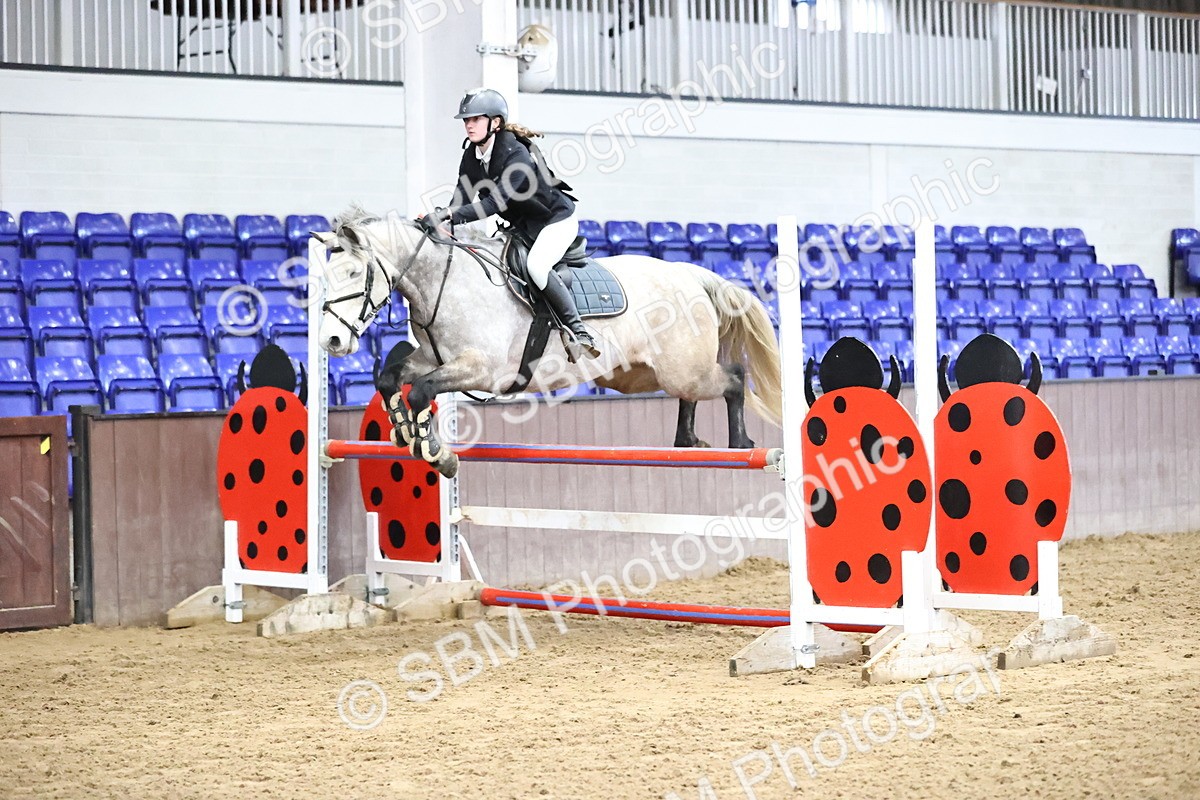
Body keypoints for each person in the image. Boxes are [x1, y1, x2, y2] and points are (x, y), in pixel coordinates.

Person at [427, 88, 600, 360]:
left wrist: (449, 214)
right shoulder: (472, 156)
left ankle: (578, 331)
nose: (469, 125)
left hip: (554, 220)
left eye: (476, 119)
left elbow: (492, 205)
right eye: (466, 120)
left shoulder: (515, 154)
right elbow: (460, 201)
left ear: (495, 122)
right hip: (523, 227)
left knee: (536, 266)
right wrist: (439, 221)